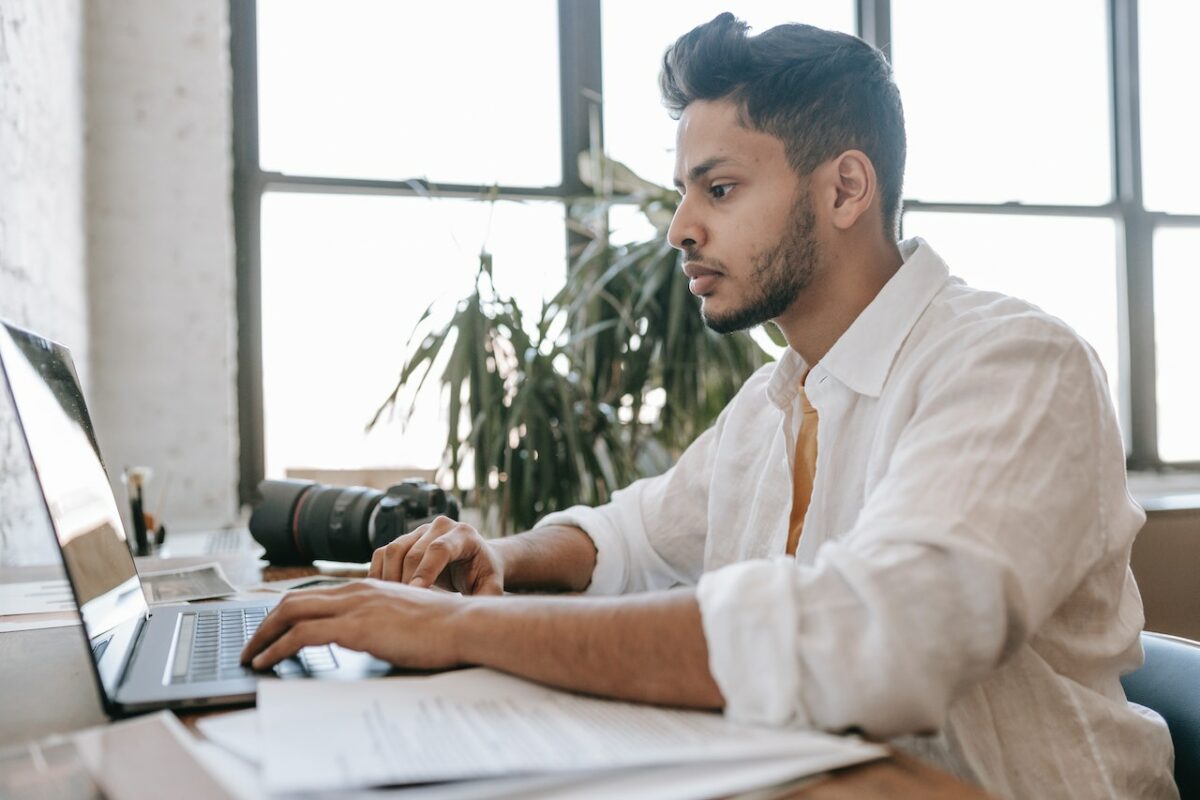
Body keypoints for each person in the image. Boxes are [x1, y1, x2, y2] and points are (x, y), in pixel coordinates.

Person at [243, 14, 1176, 798]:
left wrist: (457, 630)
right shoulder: (777, 396)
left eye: (720, 188)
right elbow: (637, 538)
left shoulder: (1014, 363)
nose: (682, 227)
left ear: (846, 186)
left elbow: (873, 636)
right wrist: (500, 557)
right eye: (686, 190)